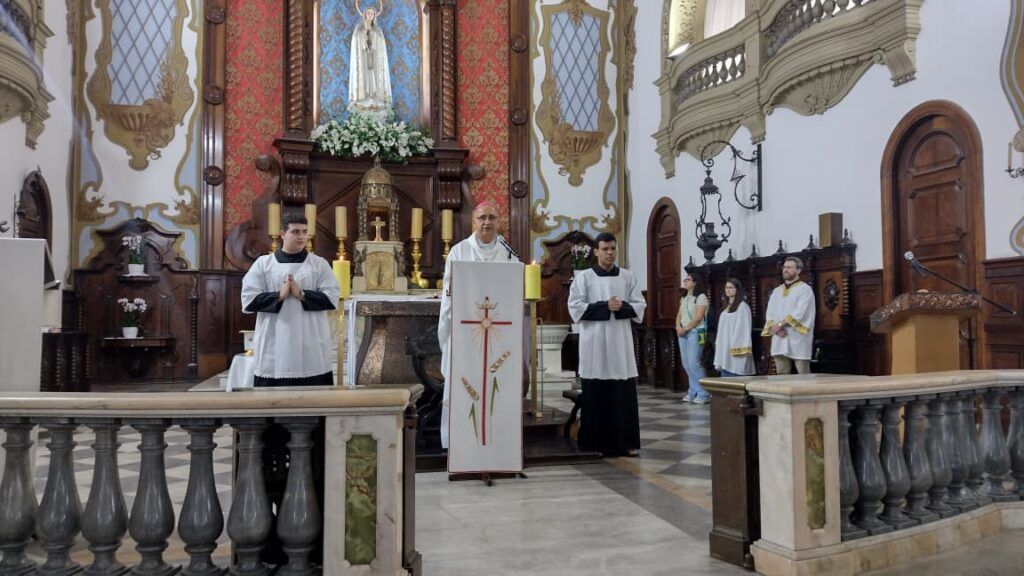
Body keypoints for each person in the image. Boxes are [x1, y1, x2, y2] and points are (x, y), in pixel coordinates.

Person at [438, 201, 519, 449]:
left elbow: (514, 290)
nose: (487, 223)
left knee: (498, 384)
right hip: (466, 330)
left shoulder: (508, 253)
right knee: (465, 383)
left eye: (492, 218)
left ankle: (496, 440)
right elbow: (449, 292)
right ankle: (460, 440)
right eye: (482, 218)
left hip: (499, 332)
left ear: (498, 222)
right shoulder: (459, 251)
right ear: (474, 221)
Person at [568, 233, 646, 457]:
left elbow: (640, 305)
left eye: (613, 248)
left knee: (623, 394)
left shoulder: (628, 277)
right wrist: (605, 306)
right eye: (605, 249)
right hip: (594, 343)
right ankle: (594, 444)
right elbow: (574, 307)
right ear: (596, 251)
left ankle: (626, 443)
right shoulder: (584, 278)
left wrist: (621, 307)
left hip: (620, 344)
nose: (610, 252)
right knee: (596, 394)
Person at [241, 213, 340, 387]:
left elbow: (332, 298)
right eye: (295, 231)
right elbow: (248, 300)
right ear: (282, 234)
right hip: (274, 342)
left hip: (311, 343)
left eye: (304, 231)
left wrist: (302, 294)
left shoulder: (319, 264)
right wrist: (279, 295)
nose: (301, 236)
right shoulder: (264, 264)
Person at [762, 256, 816, 374]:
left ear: (798, 270)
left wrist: (780, 324)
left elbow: (800, 312)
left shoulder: (805, 289)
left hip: (798, 336)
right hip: (779, 336)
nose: (785, 270)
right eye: (784, 267)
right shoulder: (777, 291)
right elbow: (769, 312)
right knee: (781, 373)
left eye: (789, 267)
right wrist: (774, 328)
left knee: (803, 372)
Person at [348, 0, 393, 113]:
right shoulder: (359, 29)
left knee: (373, 76)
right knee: (365, 76)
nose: (370, 15)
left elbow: (381, 46)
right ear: (364, 15)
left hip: (374, 58)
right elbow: (356, 43)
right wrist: (364, 37)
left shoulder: (378, 31)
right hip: (363, 58)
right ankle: (364, 97)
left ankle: (374, 96)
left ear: (374, 16)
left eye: (372, 14)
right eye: (368, 13)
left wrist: (374, 40)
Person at [677, 273, 711, 404]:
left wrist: (685, 328)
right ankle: (693, 391)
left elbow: (698, 317)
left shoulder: (700, 297)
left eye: (688, 279)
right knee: (686, 364)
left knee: (694, 363)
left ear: (695, 282)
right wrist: (677, 327)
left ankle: (704, 393)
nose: (685, 281)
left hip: (695, 332)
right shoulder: (684, 297)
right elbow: (679, 315)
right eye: (684, 279)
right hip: (683, 332)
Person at [714, 278, 755, 377]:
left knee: (735, 373)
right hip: (724, 347)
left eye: (731, 287)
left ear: (737, 289)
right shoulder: (725, 307)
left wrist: (735, 346)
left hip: (735, 347)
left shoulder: (742, 307)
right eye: (726, 287)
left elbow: (743, 330)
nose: (728, 290)